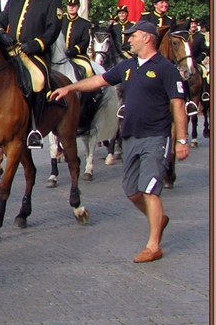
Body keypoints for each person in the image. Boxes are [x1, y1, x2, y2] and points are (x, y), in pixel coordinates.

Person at [49, 21, 188, 263]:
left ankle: (153, 245)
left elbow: (177, 105)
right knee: (132, 191)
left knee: (150, 189)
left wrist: (182, 140)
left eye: (132, 36)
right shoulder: (128, 66)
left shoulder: (166, 69)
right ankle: (158, 219)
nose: (128, 40)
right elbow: (99, 81)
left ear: (146, 37)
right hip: (131, 135)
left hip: (156, 136)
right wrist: (70, 88)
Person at [0, 0, 63, 148]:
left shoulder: (52, 1)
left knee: (38, 80)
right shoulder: (14, 1)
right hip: (11, 53)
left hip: (35, 54)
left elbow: (52, 30)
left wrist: (33, 46)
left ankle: (35, 129)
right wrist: (3, 35)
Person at [61, 0, 94, 78]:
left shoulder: (84, 24)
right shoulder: (60, 21)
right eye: (69, 5)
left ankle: (91, 90)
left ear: (78, 7)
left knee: (88, 70)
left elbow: (85, 41)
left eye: (74, 5)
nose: (71, 8)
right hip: (59, 55)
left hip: (77, 56)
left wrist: (73, 50)